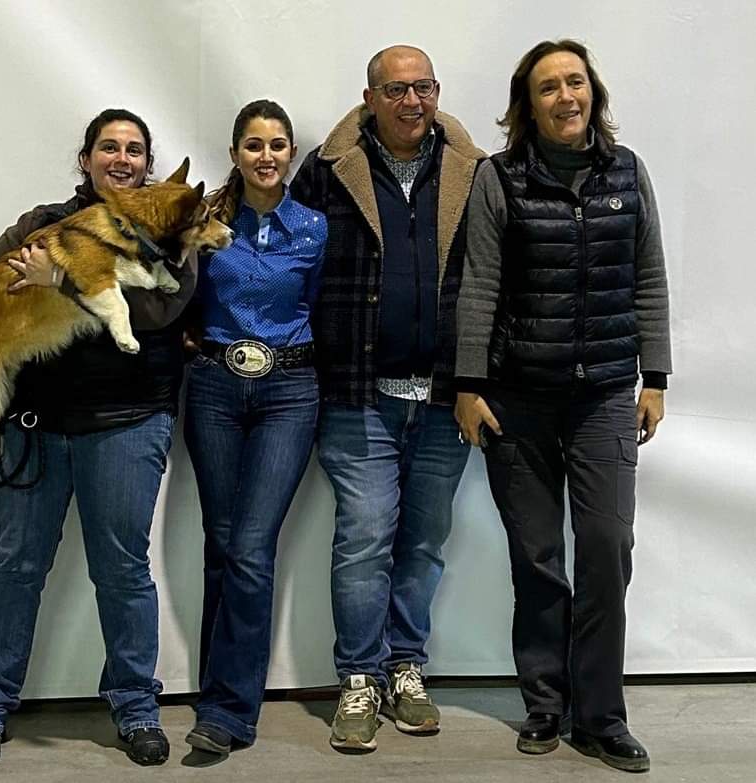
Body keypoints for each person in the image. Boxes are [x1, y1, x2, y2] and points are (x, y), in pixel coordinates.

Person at [0, 108, 196, 768]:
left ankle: (135, 706)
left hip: (128, 423)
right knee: (14, 568)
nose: (121, 158)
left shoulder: (173, 231)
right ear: (86, 160)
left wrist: (63, 281)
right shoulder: (41, 224)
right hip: (36, 424)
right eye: (108, 147)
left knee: (123, 571)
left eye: (134, 149)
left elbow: (160, 310)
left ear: (148, 164)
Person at [454, 39, 671, 774]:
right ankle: (546, 703)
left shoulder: (627, 171)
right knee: (537, 557)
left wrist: (654, 377)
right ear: (528, 103)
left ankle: (602, 716)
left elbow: (649, 276)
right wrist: (469, 386)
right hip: (517, 399)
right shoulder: (499, 178)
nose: (565, 96)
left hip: (605, 394)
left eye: (575, 82)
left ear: (593, 93)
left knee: (607, 547)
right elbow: (480, 284)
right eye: (548, 87)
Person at [290, 45, 486, 751]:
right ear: (369, 97)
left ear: (438, 93)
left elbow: (496, 276)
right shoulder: (327, 170)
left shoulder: (473, 172)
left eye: (423, 87)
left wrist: (480, 379)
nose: (412, 101)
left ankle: (406, 667)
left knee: (424, 543)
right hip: (357, 394)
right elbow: (286, 259)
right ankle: (358, 679)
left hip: (446, 399)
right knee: (364, 539)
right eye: (397, 89)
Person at [182, 100, 326, 756]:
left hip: (288, 390)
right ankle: (217, 691)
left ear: (291, 153)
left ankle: (230, 711)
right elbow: (182, 293)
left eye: (277, 145)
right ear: (235, 153)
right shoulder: (207, 221)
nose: (266, 156)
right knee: (221, 544)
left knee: (249, 547)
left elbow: (317, 302)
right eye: (253, 145)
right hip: (214, 386)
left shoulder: (315, 227)